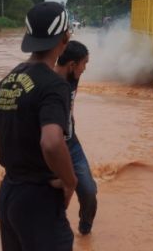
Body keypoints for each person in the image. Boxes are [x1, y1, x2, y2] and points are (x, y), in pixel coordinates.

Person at [0, 2, 77, 251]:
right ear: (65, 38)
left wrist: (12, 155)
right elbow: (51, 142)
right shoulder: (55, 85)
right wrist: (70, 181)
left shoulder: (11, 78)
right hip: (38, 199)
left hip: (9, 192)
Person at [54, 41, 97, 236]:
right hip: (52, 147)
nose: (85, 69)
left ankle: (85, 232)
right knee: (54, 196)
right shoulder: (48, 84)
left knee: (89, 192)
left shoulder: (73, 78)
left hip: (72, 142)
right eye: (84, 64)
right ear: (72, 65)